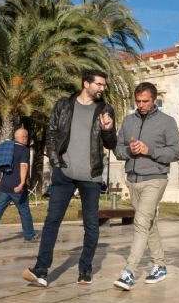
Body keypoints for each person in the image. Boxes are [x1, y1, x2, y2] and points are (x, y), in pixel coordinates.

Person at [23, 69, 116, 287]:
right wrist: (56, 163)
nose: (103, 88)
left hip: (91, 176)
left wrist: (108, 129)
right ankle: (42, 271)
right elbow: (52, 135)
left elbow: (111, 143)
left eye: (104, 85)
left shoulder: (105, 109)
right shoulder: (63, 105)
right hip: (64, 174)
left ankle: (85, 271)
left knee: (91, 225)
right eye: (99, 84)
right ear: (86, 83)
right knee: (52, 221)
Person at [112, 82, 179, 290]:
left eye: (146, 101)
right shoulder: (128, 121)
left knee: (141, 222)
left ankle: (129, 272)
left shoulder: (167, 122)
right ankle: (160, 265)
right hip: (132, 179)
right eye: (138, 101)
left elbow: (175, 152)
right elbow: (118, 149)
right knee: (148, 223)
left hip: (155, 178)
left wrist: (149, 150)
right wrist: (130, 151)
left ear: (154, 100)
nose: (141, 105)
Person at [0, 128, 37, 245]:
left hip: (4, 186)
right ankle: (29, 236)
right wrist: (21, 183)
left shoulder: (7, 148)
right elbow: (23, 167)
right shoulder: (24, 150)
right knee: (24, 211)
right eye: (26, 137)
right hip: (17, 187)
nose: (27, 139)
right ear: (23, 138)